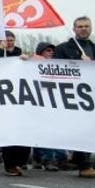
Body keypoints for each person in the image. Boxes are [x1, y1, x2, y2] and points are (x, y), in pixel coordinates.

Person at [54, 16, 95, 178]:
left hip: (90, 97)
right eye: (80, 26)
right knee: (77, 129)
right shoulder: (62, 49)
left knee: (88, 129)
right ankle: (83, 163)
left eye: (86, 26)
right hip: (69, 96)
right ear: (74, 29)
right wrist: (77, 63)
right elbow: (53, 70)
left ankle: (81, 160)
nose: (83, 29)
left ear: (91, 28)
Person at [0, 31, 28, 176]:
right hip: (3, 99)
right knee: (9, 133)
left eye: (12, 40)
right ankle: (10, 164)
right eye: (6, 40)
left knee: (24, 131)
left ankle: (20, 161)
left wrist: (25, 60)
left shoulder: (20, 55)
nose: (9, 42)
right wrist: (0, 50)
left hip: (20, 98)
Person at [24, 43, 66, 171]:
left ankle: (38, 157)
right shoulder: (34, 64)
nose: (51, 52)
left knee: (43, 131)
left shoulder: (52, 65)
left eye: (52, 50)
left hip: (48, 103)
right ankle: (48, 159)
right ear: (41, 52)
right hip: (37, 103)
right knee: (46, 131)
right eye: (48, 50)